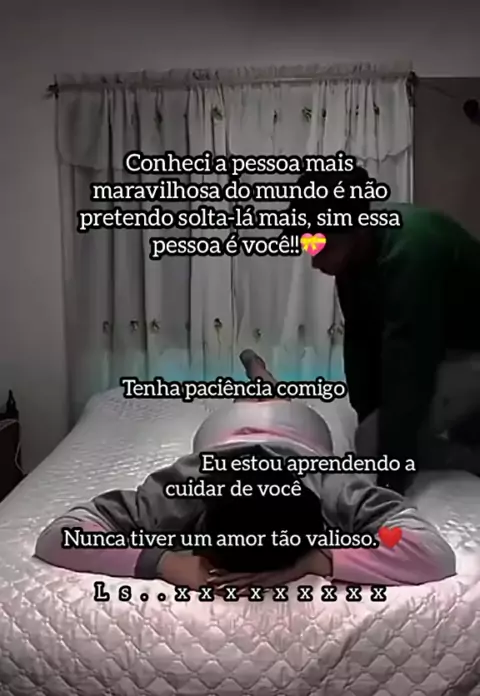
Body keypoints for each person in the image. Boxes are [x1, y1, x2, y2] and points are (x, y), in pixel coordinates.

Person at [34, 351, 455, 591]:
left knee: (274, 400)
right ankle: (261, 381)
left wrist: (315, 561)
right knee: (260, 401)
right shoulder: (189, 486)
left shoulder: (330, 485)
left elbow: (432, 553)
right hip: (226, 432)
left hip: (300, 431)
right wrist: (163, 562)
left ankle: (263, 381)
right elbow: (58, 537)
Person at [287, 167, 480, 493]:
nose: (314, 261)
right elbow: (360, 341)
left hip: (469, 350)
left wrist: (391, 475)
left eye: (320, 244)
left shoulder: (411, 251)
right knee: (373, 436)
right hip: (449, 345)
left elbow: (408, 361)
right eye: (308, 244)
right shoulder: (354, 259)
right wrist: (370, 416)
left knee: (379, 441)